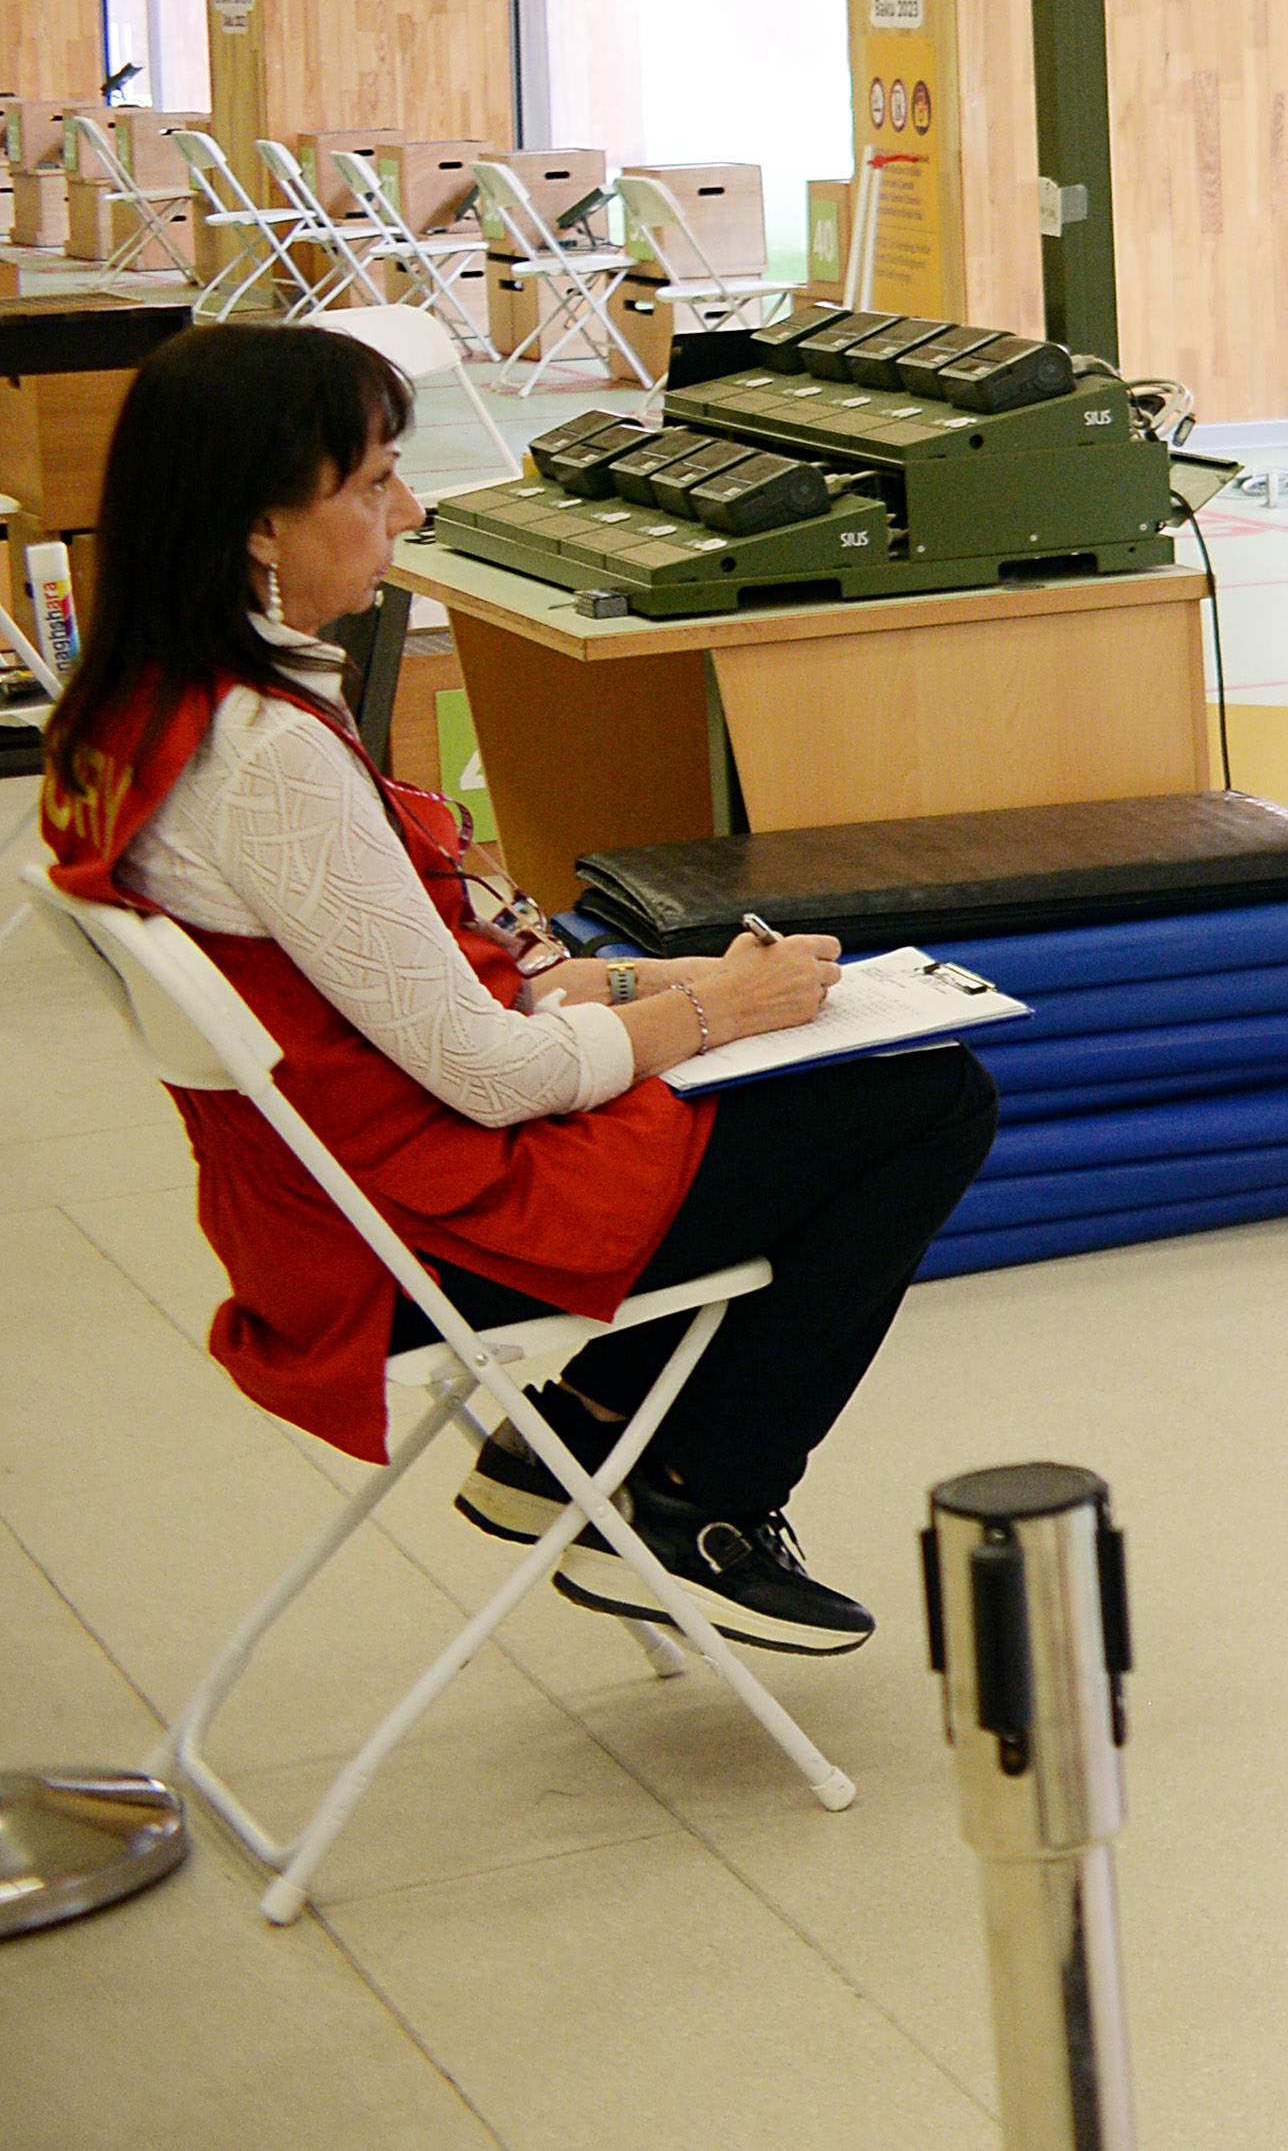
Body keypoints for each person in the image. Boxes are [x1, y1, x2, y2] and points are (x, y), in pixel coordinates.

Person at [35, 323, 994, 1655]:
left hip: (322, 1195)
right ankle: (700, 1500)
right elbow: (490, 1070)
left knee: (839, 1087)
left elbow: (412, 979)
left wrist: (671, 980)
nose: (409, 512)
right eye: (375, 482)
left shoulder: (133, 704)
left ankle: (585, 1434)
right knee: (930, 1101)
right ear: (260, 526)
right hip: (407, 1233)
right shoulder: (269, 761)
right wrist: (717, 1015)